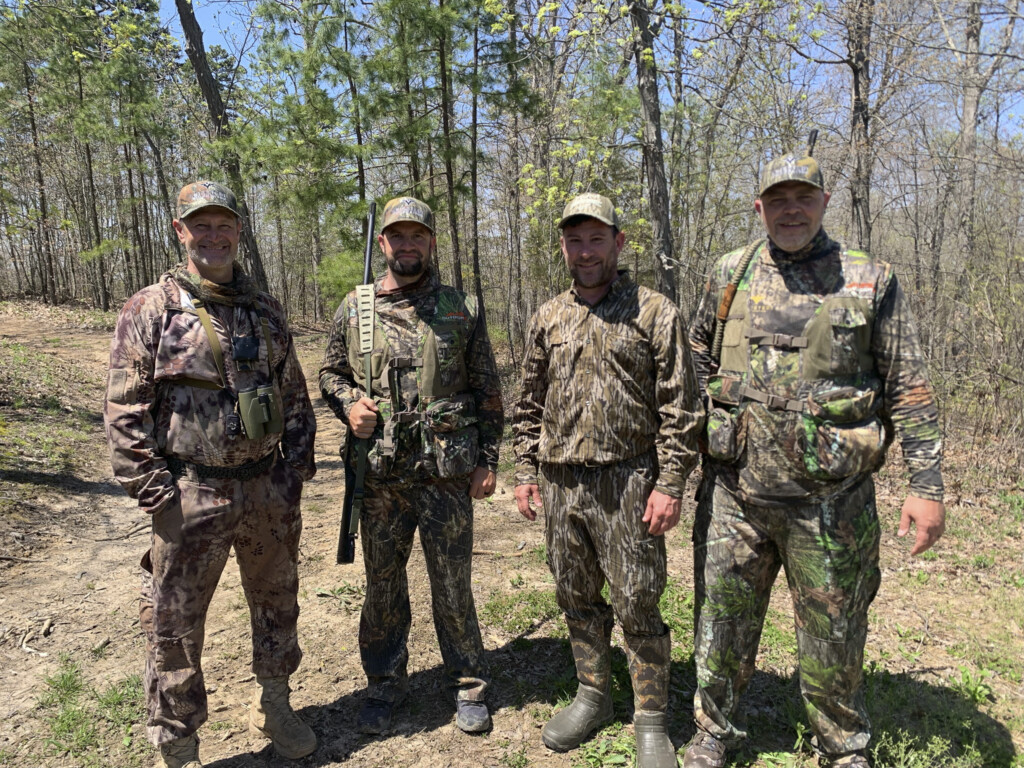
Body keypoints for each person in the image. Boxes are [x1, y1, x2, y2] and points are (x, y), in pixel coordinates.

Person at [682, 147, 945, 768]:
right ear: (759, 208)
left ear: (825, 202)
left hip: (830, 502)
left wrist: (926, 486)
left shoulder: (868, 278)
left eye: (804, 198)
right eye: (778, 200)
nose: (791, 210)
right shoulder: (730, 272)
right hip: (735, 494)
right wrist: (680, 460)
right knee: (720, 625)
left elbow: (907, 384)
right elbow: (695, 361)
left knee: (834, 637)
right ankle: (714, 731)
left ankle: (843, 745)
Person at [104, 181, 318, 768]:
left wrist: (293, 474)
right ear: (181, 231)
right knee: (174, 623)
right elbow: (124, 410)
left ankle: (275, 703)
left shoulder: (266, 310)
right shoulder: (152, 310)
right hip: (190, 492)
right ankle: (178, 741)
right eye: (201, 225)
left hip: (266, 489)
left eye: (224, 225)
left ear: (238, 232)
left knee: (277, 603)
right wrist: (157, 493)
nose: (214, 236)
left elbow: (294, 394)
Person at [511, 193, 703, 768]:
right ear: (563, 247)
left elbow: (681, 407)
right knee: (574, 593)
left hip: (629, 482)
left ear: (618, 242)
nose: (586, 251)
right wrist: (525, 469)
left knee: (638, 598)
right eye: (575, 240)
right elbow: (529, 399)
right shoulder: (548, 316)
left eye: (597, 238)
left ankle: (651, 718)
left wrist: (671, 482)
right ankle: (593, 694)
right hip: (561, 481)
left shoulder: (655, 312)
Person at [319, 196, 504, 735]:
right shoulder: (356, 308)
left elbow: (487, 390)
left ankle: (468, 683)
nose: (407, 245)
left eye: (417, 235)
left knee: (452, 584)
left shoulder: (460, 307)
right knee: (382, 587)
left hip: (446, 474)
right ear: (383, 243)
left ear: (431, 242)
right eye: (397, 235)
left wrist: (487, 460)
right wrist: (349, 404)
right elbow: (330, 374)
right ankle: (384, 684)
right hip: (379, 477)